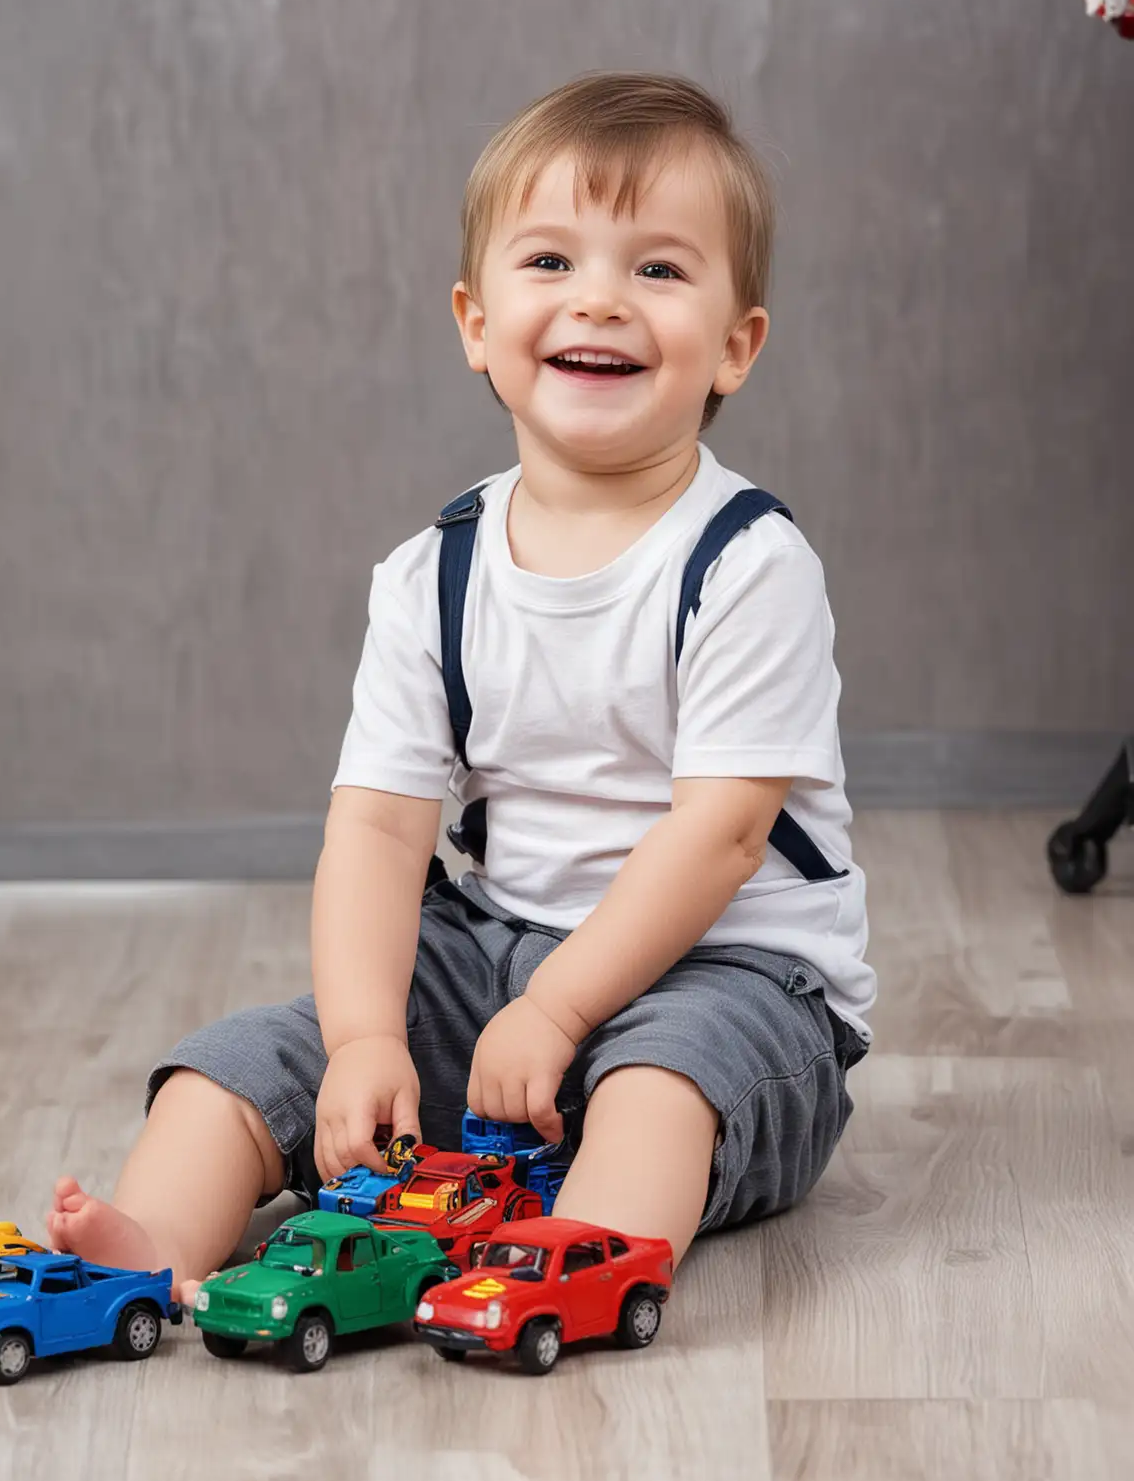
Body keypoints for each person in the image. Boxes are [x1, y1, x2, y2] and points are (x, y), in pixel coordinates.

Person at [47, 71, 877, 1303]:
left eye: (658, 270)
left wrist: (558, 1013)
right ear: (476, 323)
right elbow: (380, 826)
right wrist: (368, 1038)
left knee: (658, 1088)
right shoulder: (433, 573)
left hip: (733, 970)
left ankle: (572, 1263)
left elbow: (724, 834)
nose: (600, 297)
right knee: (244, 1062)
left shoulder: (748, 564)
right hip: (493, 950)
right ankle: (151, 1243)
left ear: (736, 348)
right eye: (550, 262)